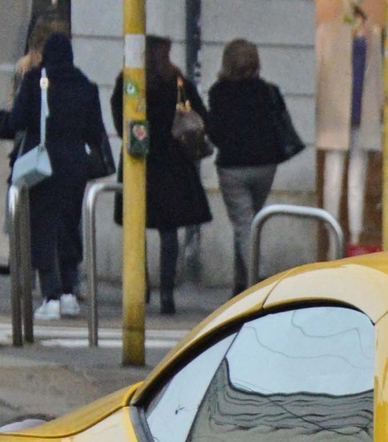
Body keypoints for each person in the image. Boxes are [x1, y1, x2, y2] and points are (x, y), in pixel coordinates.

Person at [7, 31, 111, 320]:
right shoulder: (86, 87)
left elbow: (18, 120)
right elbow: (95, 132)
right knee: (69, 225)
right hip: (76, 165)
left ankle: (50, 295)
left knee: (42, 228)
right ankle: (68, 293)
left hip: (43, 164)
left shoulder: (35, 82)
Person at [112, 35, 214, 315]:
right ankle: (167, 292)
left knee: (137, 229)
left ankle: (140, 287)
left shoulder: (130, 81)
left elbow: (117, 119)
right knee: (169, 231)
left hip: (139, 160)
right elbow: (201, 116)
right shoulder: (178, 82)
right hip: (172, 163)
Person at [206, 39, 304, 291]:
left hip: (232, 167)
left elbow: (215, 132)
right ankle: (241, 283)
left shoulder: (219, 92)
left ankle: (252, 283)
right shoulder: (268, 91)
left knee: (243, 225)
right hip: (265, 166)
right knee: (249, 225)